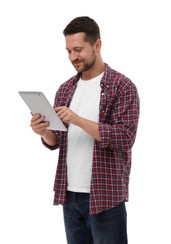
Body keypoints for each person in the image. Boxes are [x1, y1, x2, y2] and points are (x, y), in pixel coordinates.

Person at [30, 16, 140, 244]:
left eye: (78, 49)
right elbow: (57, 141)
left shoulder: (123, 86)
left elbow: (125, 137)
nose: (73, 57)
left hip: (105, 196)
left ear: (97, 45)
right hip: (69, 196)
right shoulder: (65, 89)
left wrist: (78, 120)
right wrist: (42, 131)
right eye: (69, 51)